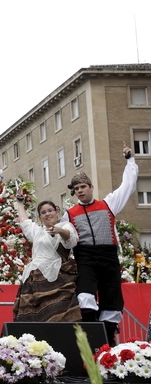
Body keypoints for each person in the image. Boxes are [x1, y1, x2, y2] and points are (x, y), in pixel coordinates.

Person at [64, 144, 138, 345]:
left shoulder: (108, 204)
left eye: (83, 187)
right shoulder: (69, 214)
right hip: (85, 257)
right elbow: (59, 239)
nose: (80, 191)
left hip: (108, 257)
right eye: (77, 189)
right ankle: (91, 332)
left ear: (91, 187)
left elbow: (127, 186)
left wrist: (130, 160)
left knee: (112, 299)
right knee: (85, 295)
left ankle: (108, 342)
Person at [13, 195, 81, 323]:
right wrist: (20, 203)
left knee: (59, 311)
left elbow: (70, 239)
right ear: (40, 217)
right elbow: (25, 222)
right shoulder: (38, 232)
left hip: (57, 276)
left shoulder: (65, 225)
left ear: (57, 211)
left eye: (50, 210)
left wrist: (59, 230)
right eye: (43, 212)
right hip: (34, 278)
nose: (47, 214)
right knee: (30, 313)